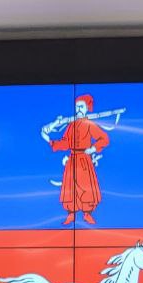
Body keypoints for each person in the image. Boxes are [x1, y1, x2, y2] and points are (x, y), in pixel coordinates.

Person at [41, 94, 110, 226]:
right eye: (77, 106)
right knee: (70, 187)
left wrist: (93, 148)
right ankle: (71, 214)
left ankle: (87, 214)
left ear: (87, 108)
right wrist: (49, 140)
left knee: (86, 187)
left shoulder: (90, 125)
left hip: (84, 159)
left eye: (81, 106)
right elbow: (65, 143)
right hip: (72, 159)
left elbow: (104, 139)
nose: (78, 109)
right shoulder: (71, 126)